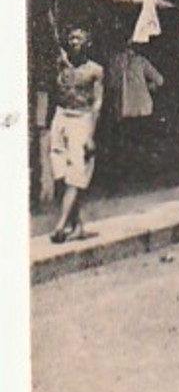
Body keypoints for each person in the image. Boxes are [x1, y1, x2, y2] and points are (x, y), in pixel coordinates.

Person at [48, 25, 104, 243]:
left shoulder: (95, 70)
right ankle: (78, 225)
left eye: (79, 38)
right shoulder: (61, 63)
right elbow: (52, 33)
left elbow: (97, 103)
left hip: (82, 119)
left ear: (88, 43)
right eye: (71, 38)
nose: (73, 42)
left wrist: (90, 134)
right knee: (60, 174)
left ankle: (61, 226)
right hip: (60, 116)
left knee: (76, 174)